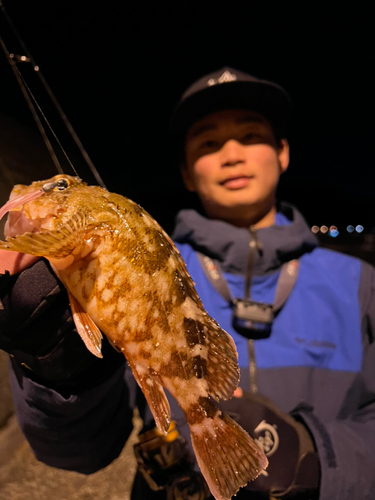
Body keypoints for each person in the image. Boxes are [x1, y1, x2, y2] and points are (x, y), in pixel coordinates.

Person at [0, 67, 375, 500]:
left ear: (283, 152)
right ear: (185, 171)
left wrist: (320, 456)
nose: (231, 154)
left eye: (250, 136)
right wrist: (61, 376)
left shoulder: (361, 283)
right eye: (209, 142)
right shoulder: (160, 260)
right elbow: (80, 454)